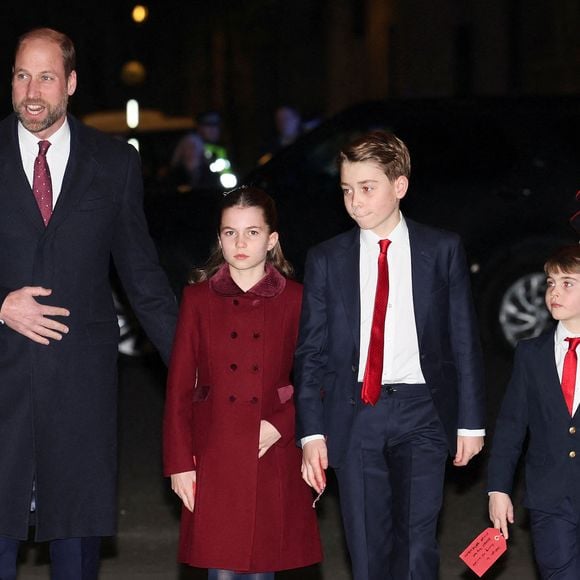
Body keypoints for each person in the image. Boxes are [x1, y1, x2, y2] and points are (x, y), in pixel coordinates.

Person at [0, 28, 177, 579]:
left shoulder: (114, 163)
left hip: (81, 391)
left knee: (75, 549)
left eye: (46, 77)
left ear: (71, 83)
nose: (32, 91)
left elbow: (143, 278)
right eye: (22, 75)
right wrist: (0, 305)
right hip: (2, 387)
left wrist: (198, 369)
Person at [295, 130, 485, 580]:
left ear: (399, 186)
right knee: (366, 546)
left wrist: (471, 422)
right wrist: (311, 433)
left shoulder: (441, 250)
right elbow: (311, 352)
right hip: (357, 411)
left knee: (417, 542)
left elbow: (463, 339)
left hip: (423, 410)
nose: (355, 202)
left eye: (367, 188)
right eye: (346, 190)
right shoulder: (327, 259)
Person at [163, 187, 322, 579]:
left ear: (271, 240)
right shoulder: (198, 300)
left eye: (252, 232)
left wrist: (283, 424)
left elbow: (319, 379)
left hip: (272, 450)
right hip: (215, 453)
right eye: (230, 232)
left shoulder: (297, 300)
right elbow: (179, 387)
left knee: (262, 570)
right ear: (219, 238)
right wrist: (180, 464)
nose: (240, 242)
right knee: (221, 570)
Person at [488, 244, 580, 579]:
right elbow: (512, 425)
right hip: (549, 500)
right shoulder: (531, 354)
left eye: (567, 283)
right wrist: (498, 488)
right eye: (550, 283)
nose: (555, 292)